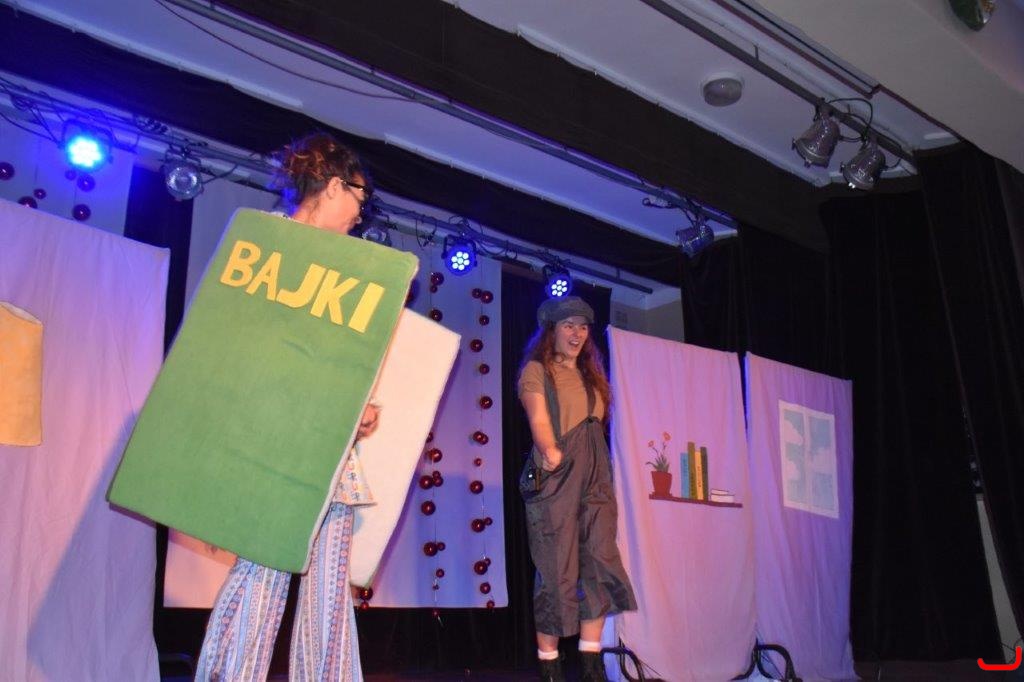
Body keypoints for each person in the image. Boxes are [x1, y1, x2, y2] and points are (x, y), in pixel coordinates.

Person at [195, 133, 381, 682]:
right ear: (332, 186)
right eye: (359, 197)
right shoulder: (266, 244)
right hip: (275, 444)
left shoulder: (348, 270)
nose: (361, 213)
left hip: (332, 447)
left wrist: (356, 406)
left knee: (330, 592)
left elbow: (330, 360)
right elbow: (241, 349)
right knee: (262, 575)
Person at [517, 296, 637, 682]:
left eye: (583, 327)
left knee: (600, 563)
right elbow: (538, 417)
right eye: (568, 325)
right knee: (557, 572)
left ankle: (591, 665)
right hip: (557, 475)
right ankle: (550, 667)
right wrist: (549, 449)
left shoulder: (592, 376)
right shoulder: (538, 370)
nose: (577, 333)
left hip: (595, 478)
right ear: (552, 330)